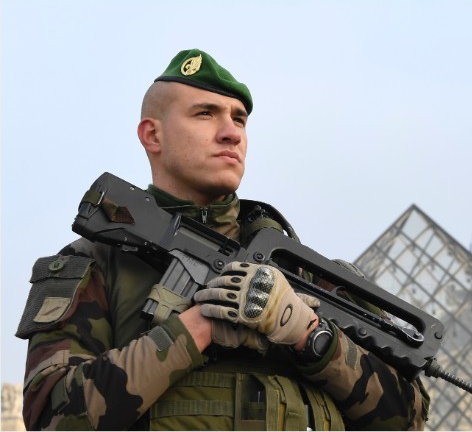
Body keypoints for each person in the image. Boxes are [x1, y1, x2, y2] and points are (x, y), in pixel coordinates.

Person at [15, 49, 429, 430]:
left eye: (240, 119)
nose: (231, 133)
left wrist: (310, 335)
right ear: (152, 135)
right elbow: (51, 417)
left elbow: (409, 419)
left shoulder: (312, 277)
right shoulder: (95, 265)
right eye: (205, 114)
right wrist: (198, 328)